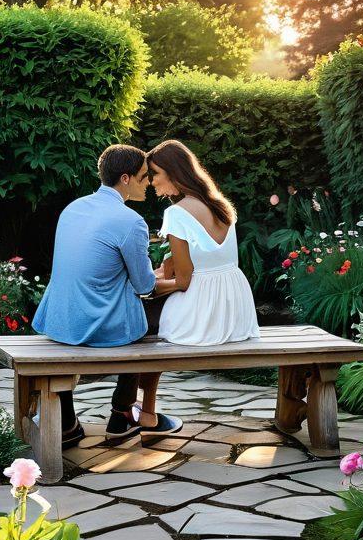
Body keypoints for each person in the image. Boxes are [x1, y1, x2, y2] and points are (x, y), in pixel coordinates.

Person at [32, 144, 183, 446]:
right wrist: (179, 282)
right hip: (97, 326)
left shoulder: (73, 208)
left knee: (128, 307)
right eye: (143, 176)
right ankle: (123, 413)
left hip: (59, 320)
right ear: (125, 179)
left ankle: (67, 421)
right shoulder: (130, 221)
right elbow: (144, 287)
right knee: (151, 323)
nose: (148, 183)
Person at [146, 138, 260, 403]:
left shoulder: (176, 213)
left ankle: (143, 407)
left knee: (146, 327)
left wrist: (149, 285)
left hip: (204, 318)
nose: (151, 182)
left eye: (155, 174)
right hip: (237, 313)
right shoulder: (221, 205)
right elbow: (208, 262)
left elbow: (184, 281)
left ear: (174, 173)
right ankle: (145, 408)